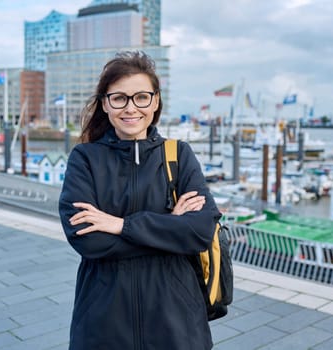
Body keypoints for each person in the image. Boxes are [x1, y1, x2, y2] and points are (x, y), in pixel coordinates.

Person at [59, 50, 221, 350]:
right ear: (105, 103)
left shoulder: (179, 154)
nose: (131, 107)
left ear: (155, 101)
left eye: (141, 97)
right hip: (103, 322)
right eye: (119, 98)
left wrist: (120, 225)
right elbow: (88, 240)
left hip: (176, 322)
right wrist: (171, 227)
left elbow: (199, 231)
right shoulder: (85, 159)